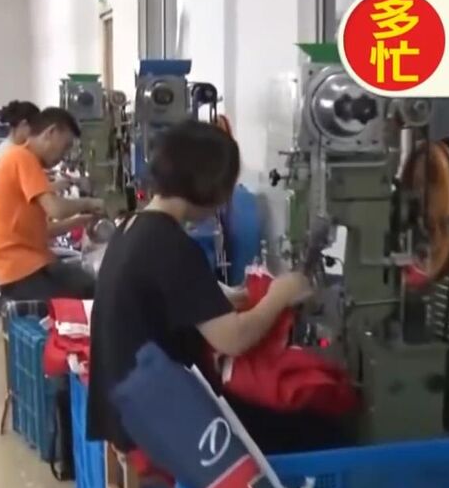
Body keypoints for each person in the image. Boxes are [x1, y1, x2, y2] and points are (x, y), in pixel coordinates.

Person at [87, 120, 318, 457]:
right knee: (314, 426)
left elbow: (164, 299)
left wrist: (220, 300)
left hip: (122, 406)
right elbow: (234, 340)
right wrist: (278, 296)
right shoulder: (171, 245)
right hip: (155, 420)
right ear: (210, 185)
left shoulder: (135, 226)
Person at [0, 107, 102, 302]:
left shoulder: (19, 158)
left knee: (90, 283)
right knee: (97, 291)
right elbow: (56, 209)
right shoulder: (22, 158)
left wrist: (81, 220)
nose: (63, 155)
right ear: (50, 132)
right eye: (65, 146)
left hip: (24, 267)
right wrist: (90, 203)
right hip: (23, 274)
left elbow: (42, 231)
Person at [0, 100, 40, 191]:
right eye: (36, 128)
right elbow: (31, 189)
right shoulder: (11, 152)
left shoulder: (8, 147)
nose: (37, 133)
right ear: (24, 124)